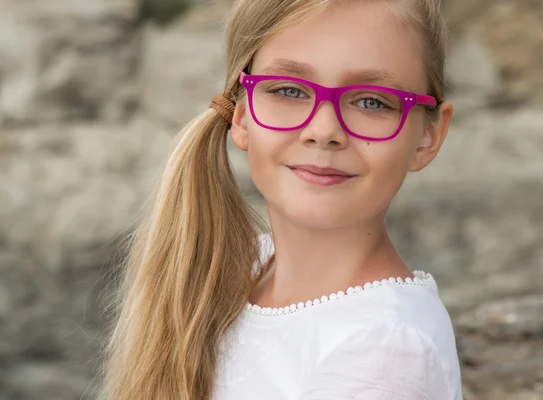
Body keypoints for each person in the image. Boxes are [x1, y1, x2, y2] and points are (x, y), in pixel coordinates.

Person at [101, 0, 463, 399]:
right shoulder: (238, 273)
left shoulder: (384, 352)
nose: (323, 130)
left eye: (371, 101)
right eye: (289, 90)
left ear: (428, 137)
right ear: (241, 115)